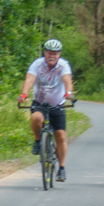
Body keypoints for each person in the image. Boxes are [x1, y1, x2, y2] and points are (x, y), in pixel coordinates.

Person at [20, 39, 74, 183]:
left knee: (61, 136)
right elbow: (29, 80)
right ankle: (38, 141)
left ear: (59, 54)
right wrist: (24, 94)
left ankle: (61, 168)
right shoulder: (37, 65)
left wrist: (68, 93)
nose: (52, 56)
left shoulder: (63, 65)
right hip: (40, 102)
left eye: (55, 53)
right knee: (36, 118)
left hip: (57, 104)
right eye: (49, 53)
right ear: (45, 53)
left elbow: (66, 80)